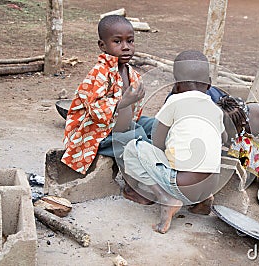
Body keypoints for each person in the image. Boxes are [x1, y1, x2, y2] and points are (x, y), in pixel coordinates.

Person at [122, 50, 226, 234]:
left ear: (176, 85)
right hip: (212, 183)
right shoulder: (215, 109)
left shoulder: (174, 102)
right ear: (209, 84)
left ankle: (165, 198)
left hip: (182, 184)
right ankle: (203, 199)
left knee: (133, 148)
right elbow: (224, 140)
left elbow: (157, 141)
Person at [61, 15, 154, 204]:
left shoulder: (131, 73)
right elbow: (95, 110)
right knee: (133, 139)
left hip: (120, 125)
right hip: (94, 133)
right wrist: (124, 102)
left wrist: (132, 107)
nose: (126, 47)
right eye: (117, 41)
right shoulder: (99, 74)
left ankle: (163, 171)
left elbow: (134, 111)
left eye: (130, 41)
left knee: (155, 126)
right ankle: (132, 186)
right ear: (103, 46)